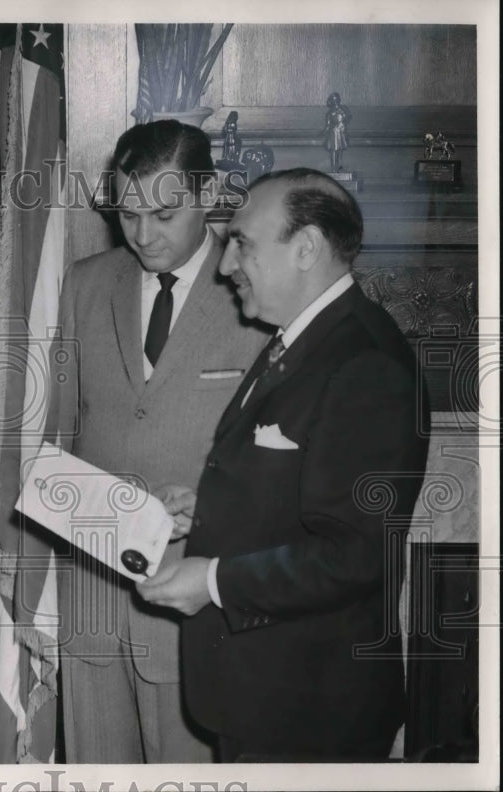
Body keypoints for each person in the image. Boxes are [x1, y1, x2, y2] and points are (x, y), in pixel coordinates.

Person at [137, 168, 430, 761]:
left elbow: (355, 552)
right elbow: (308, 495)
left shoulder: (364, 361)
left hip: (311, 709)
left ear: (306, 248)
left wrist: (214, 581)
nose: (224, 266)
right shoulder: (305, 339)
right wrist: (213, 508)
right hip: (269, 698)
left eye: (242, 241)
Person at [47, 120, 268, 763]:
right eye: (128, 214)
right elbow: (53, 441)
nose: (143, 235)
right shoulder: (84, 284)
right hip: (88, 602)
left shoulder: (254, 291)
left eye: (164, 214)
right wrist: (30, 594)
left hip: (195, 610)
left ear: (209, 194)